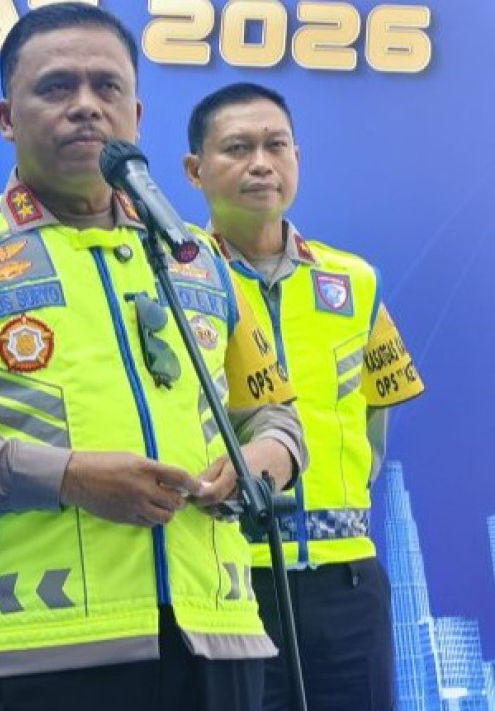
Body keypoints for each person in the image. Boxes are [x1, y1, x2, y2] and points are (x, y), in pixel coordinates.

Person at [0, 4, 310, 710]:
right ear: (6, 117)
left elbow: (274, 412)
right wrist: (68, 477)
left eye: (105, 88)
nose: (84, 107)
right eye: (55, 88)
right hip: (34, 649)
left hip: (216, 635)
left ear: (134, 112)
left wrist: (266, 459)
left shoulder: (194, 258)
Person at [183, 82, 424, 711]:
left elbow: (378, 410)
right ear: (194, 170)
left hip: (345, 581)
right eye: (237, 147)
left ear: (297, 158)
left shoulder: (354, 280)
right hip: (226, 577)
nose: (261, 162)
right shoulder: (170, 277)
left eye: (276, 145)